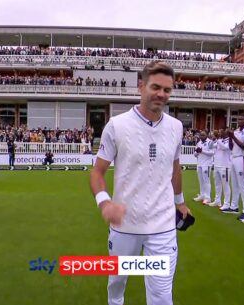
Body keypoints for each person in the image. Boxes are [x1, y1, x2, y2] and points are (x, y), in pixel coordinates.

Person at [90, 61, 191, 305]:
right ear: (141, 86)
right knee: (117, 282)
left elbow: (174, 167)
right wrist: (105, 204)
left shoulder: (176, 127)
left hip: (163, 226)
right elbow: (97, 172)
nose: (161, 94)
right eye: (155, 87)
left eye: (167, 90)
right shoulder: (117, 125)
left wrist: (180, 202)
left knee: (161, 295)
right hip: (125, 225)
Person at [224, 113, 244, 218]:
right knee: (234, 184)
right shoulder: (236, 131)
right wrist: (230, 137)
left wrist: (233, 137)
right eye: (238, 119)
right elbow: (231, 147)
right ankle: (234, 206)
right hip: (234, 157)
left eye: (241, 119)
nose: (239, 121)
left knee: (243, 184)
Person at [209, 129, 231, 208]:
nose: (219, 133)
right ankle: (217, 200)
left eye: (221, 132)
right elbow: (210, 146)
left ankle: (226, 203)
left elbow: (225, 147)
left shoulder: (229, 140)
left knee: (225, 185)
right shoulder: (219, 140)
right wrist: (213, 139)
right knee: (217, 184)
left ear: (226, 132)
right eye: (219, 132)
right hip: (216, 165)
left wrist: (218, 140)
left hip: (225, 166)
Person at [193, 130, 213, 205]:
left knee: (206, 181)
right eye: (201, 135)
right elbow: (195, 154)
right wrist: (197, 152)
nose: (202, 136)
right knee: (201, 180)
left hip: (207, 164)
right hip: (199, 164)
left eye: (203, 135)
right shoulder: (199, 143)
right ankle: (202, 195)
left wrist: (202, 151)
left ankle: (207, 198)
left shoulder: (210, 142)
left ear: (207, 135)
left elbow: (212, 153)